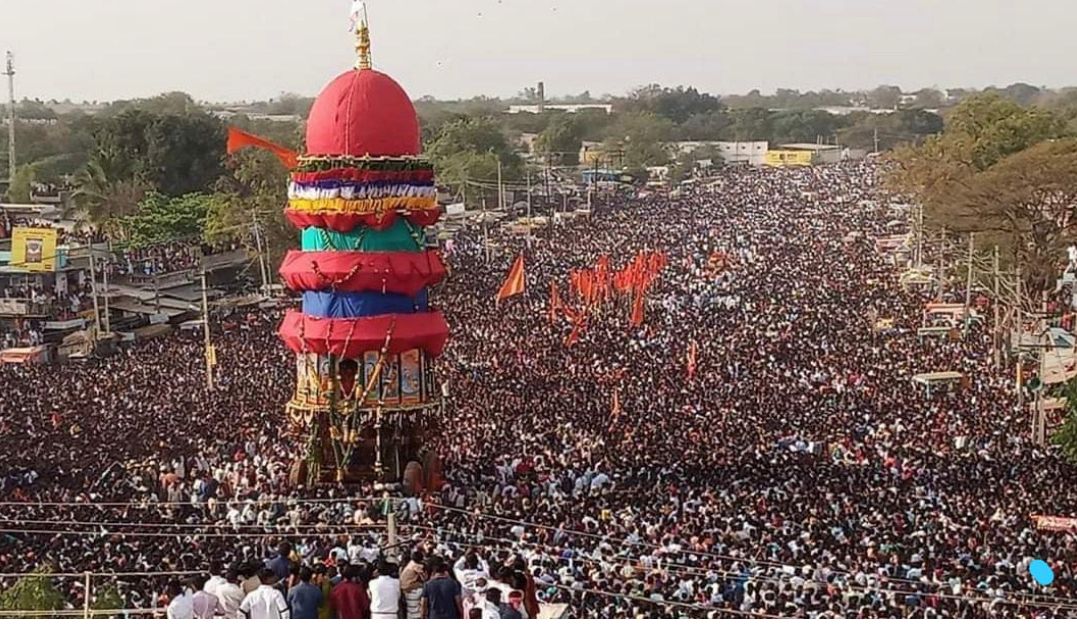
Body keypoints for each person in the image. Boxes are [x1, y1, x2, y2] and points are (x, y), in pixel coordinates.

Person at [399, 551, 426, 619]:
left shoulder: (411, 563)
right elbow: (424, 578)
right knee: (425, 586)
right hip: (408, 585)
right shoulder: (416, 566)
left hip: (403, 585)